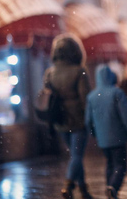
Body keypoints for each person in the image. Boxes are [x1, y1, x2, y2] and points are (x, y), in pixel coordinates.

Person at [42, 34, 93, 199]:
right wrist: (90, 119)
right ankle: (68, 185)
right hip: (78, 119)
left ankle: (84, 188)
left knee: (74, 156)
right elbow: (86, 99)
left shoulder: (50, 73)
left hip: (59, 119)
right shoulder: (80, 71)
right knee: (77, 156)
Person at [85, 64, 127, 199]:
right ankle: (113, 188)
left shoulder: (92, 96)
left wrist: (94, 134)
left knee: (109, 163)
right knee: (121, 165)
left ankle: (110, 187)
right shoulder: (117, 93)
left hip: (102, 139)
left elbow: (88, 120)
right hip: (118, 137)